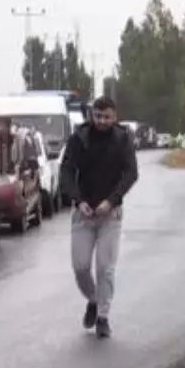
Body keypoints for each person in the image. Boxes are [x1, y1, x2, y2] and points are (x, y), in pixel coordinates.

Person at [57, 96, 139, 338]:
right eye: (98, 116)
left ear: (115, 117)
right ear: (92, 115)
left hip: (110, 215)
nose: (102, 121)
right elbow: (67, 170)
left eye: (107, 117)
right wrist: (78, 200)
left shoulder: (123, 140)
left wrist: (111, 201)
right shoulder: (79, 138)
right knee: (81, 267)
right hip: (83, 214)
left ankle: (103, 316)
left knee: (105, 268)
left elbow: (131, 173)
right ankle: (93, 299)